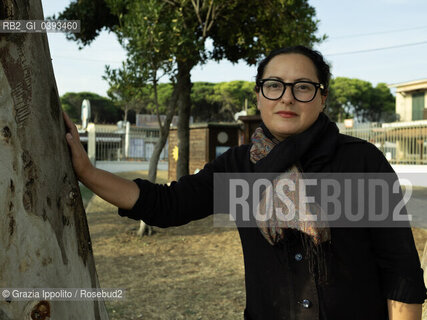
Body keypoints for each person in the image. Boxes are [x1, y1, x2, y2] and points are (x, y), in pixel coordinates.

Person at [64, 45, 426, 320]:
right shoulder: (239, 169)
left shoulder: (360, 161)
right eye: (274, 85)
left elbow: (401, 270)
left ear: (323, 97)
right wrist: (87, 172)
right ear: (258, 94)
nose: (286, 96)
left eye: (303, 86)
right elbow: (167, 205)